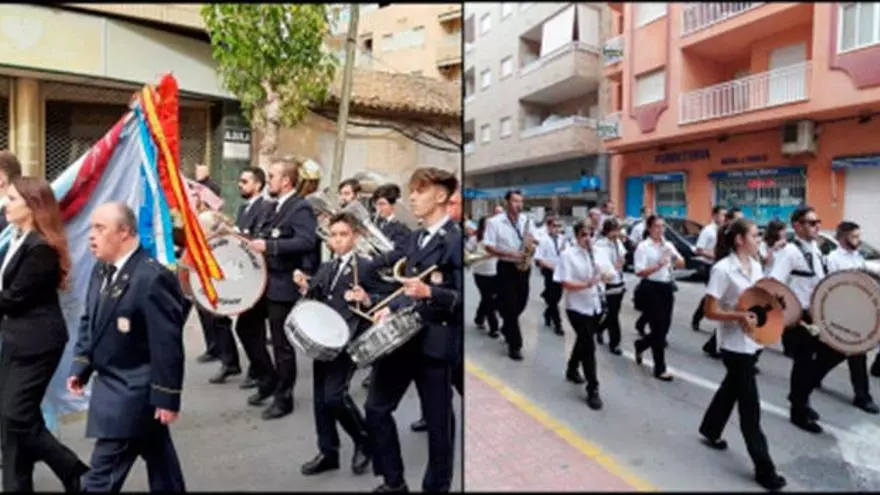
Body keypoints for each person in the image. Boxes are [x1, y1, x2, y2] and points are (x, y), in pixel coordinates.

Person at [68, 202, 186, 491]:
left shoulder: (152, 277)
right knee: (162, 463)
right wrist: (81, 365)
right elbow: (91, 321)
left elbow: (166, 344)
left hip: (132, 393)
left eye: (100, 228)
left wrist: (167, 397)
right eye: (92, 228)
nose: (91, 235)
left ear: (124, 232)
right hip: (114, 385)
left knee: (100, 479)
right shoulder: (102, 269)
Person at [365, 167, 461, 493]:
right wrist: (388, 307)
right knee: (376, 408)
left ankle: (436, 487)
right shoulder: (416, 237)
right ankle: (394, 482)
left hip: (435, 344)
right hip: (403, 337)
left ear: (441, 195)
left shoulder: (455, 239)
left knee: (438, 426)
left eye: (420, 191)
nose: (413, 198)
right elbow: (405, 286)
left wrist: (431, 292)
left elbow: (461, 299)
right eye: (412, 191)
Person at [0, 177, 88, 491]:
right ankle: (16, 485)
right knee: (12, 418)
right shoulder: (18, 238)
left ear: (32, 205)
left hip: (38, 342)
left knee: (16, 415)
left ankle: (75, 471)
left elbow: (14, 298)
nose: (5, 204)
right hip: (15, 338)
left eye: (12, 199)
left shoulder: (41, 249)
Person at [697, 218, 787, 491]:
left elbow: (756, 303)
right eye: (755, 235)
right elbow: (710, 311)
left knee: (731, 389)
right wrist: (738, 316)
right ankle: (765, 469)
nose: (759, 240)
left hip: (754, 341)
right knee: (750, 408)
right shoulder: (722, 270)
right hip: (734, 347)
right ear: (739, 240)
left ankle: (711, 428)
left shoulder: (756, 266)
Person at [293, 212, 381, 477]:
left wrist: (366, 298)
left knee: (334, 396)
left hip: (349, 340)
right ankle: (328, 452)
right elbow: (317, 295)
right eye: (333, 235)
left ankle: (364, 439)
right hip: (324, 340)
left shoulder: (365, 266)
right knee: (321, 400)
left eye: (344, 234)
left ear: (355, 236)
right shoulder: (327, 267)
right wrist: (304, 286)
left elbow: (383, 296)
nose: (338, 240)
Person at [247, 156, 318, 420]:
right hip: (263, 282)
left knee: (281, 345)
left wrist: (271, 246)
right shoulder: (271, 206)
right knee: (246, 329)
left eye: (272, 176)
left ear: (286, 181)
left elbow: (307, 241)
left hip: (283, 283)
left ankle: (284, 397)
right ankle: (268, 379)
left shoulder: (300, 208)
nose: (269, 181)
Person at [768, 207, 829, 433]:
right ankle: (799, 411)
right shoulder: (790, 252)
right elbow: (775, 283)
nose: (817, 226)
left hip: (817, 313)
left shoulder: (815, 248)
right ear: (797, 226)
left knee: (825, 357)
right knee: (803, 364)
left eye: (817, 222)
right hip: (800, 316)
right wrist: (789, 315)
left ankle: (799, 396)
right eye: (811, 223)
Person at [821, 221, 879, 414]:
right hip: (841, 313)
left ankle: (812, 379)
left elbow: (866, 276)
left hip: (856, 311)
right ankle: (862, 397)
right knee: (849, 353)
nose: (858, 240)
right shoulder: (833, 259)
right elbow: (832, 287)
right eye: (854, 236)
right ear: (843, 237)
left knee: (845, 353)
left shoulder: (857, 257)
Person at [554, 220, 610, 409]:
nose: (588, 239)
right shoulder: (568, 255)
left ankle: (572, 368)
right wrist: (587, 284)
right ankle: (593, 389)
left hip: (595, 305)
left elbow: (609, 272)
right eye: (583, 235)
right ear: (576, 237)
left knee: (584, 340)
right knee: (589, 346)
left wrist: (606, 274)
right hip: (577, 308)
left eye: (590, 235)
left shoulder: (597, 253)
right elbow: (565, 283)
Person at [233, 167, 274, 391]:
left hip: (260, 277)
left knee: (248, 329)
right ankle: (260, 372)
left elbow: (258, 238)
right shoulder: (243, 208)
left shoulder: (266, 208)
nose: (240, 184)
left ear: (257, 185)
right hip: (246, 274)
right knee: (248, 329)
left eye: (244, 181)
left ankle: (265, 375)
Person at [482, 190, 535, 361]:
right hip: (506, 266)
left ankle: (506, 324)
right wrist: (510, 253)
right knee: (511, 307)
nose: (519, 204)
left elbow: (532, 238)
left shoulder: (527, 220)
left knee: (522, 302)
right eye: (515, 201)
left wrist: (531, 244)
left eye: (521, 201)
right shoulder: (495, 222)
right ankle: (515, 345)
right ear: (507, 202)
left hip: (524, 266)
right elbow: (488, 246)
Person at [633, 215, 685, 381]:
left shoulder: (668, 245)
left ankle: (641, 344)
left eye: (663, 226)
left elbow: (681, 263)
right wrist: (658, 265)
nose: (660, 230)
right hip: (650, 288)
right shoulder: (643, 247)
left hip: (666, 287)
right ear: (649, 228)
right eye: (657, 226)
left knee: (664, 328)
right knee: (658, 328)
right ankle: (659, 368)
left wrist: (674, 259)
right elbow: (639, 271)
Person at [593, 218, 627, 355]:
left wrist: (621, 262)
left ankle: (600, 328)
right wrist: (613, 267)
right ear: (607, 231)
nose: (617, 233)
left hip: (619, 280)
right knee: (613, 314)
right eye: (614, 230)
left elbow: (623, 256)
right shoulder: (601, 245)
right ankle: (615, 343)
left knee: (614, 312)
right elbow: (602, 265)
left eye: (617, 230)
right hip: (607, 283)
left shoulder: (617, 243)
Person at [692, 206, 728, 333]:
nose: (724, 217)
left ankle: (722, 326)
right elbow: (698, 250)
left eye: (726, 215)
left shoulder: (726, 231)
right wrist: (714, 255)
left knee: (721, 295)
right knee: (713, 295)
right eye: (722, 214)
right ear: (714, 216)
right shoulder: (708, 230)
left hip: (722, 266)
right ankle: (697, 318)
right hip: (709, 266)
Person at [534, 215, 567, 335]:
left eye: (559, 226)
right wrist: (551, 267)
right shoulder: (543, 240)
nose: (557, 228)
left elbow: (566, 255)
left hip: (560, 271)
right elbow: (539, 259)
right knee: (553, 299)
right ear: (548, 227)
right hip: (549, 271)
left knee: (557, 296)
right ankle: (558, 324)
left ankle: (547, 314)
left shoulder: (563, 239)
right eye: (554, 226)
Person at [469, 216, 499, 338]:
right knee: (488, 299)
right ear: (482, 225)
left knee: (489, 299)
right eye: (488, 223)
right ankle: (494, 328)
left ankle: (479, 317)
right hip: (480, 274)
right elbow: (468, 254)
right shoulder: (474, 238)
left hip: (494, 273)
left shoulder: (496, 237)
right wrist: (480, 255)